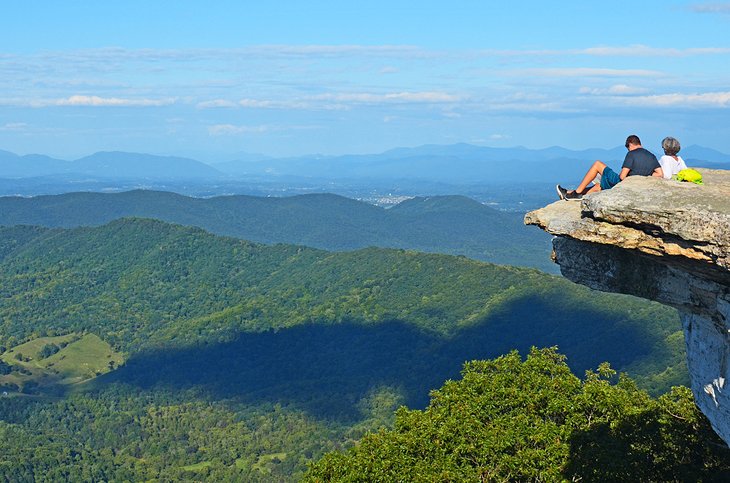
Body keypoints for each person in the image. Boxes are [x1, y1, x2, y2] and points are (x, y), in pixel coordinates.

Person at [556, 134, 664, 201]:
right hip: (637, 186)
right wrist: (643, 177)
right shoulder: (651, 156)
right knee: (599, 186)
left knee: (597, 164)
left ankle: (577, 193)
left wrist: (632, 178)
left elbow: (622, 176)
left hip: (624, 184)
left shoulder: (632, 154)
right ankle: (570, 194)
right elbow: (660, 174)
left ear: (630, 144)